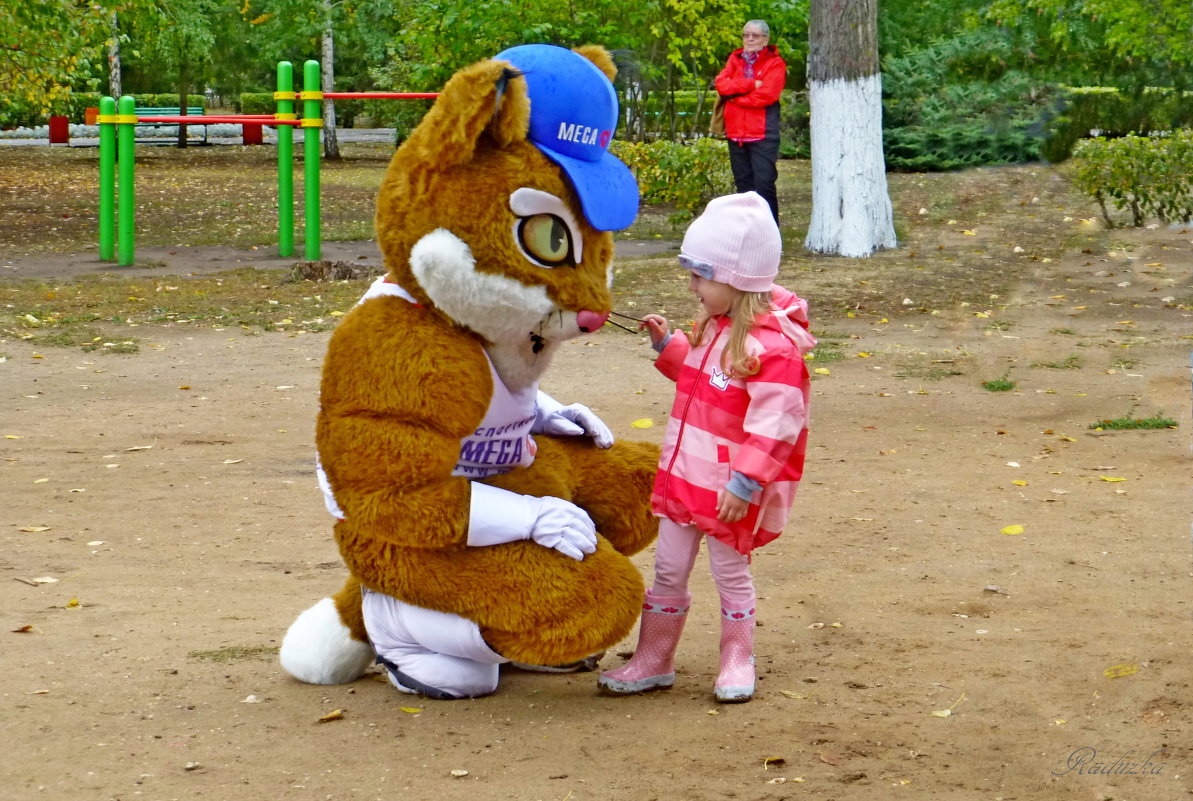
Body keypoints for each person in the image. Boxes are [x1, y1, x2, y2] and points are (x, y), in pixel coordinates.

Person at [598, 192, 815, 702]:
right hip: (684, 480)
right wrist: (666, 346)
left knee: (729, 573)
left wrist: (745, 483)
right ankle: (654, 659)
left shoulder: (773, 350)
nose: (692, 286)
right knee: (668, 569)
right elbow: (704, 381)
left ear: (736, 279)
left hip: (727, 490)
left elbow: (777, 424)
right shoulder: (712, 330)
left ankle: (737, 658)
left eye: (700, 276)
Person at [714, 20, 787, 224]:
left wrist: (736, 98)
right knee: (743, 189)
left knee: (764, 186)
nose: (750, 39)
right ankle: (747, 232)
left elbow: (766, 96)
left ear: (766, 39)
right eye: (746, 35)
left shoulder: (775, 63)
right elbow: (721, 85)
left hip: (763, 134)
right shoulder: (735, 58)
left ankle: (770, 234)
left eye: (755, 35)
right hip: (735, 134)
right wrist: (751, 84)